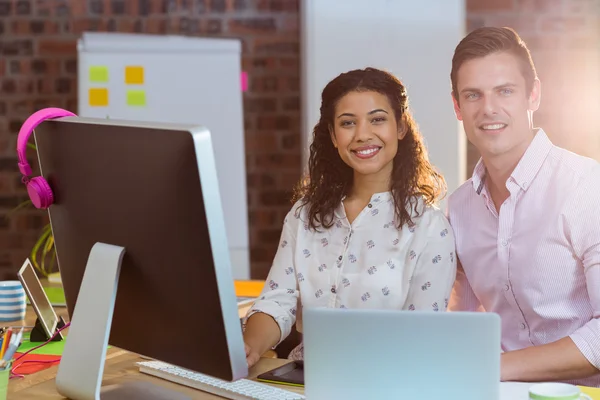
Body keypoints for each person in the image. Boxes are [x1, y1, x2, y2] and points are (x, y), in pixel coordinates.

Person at [242, 67, 457, 367]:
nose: (362, 135)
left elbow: (422, 339)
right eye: (347, 123)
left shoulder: (430, 228)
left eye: (377, 119)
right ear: (332, 134)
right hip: (303, 380)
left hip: (384, 385)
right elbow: (277, 301)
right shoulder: (304, 215)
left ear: (401, 127)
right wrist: (248, 347)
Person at [447, 26, 600, 387]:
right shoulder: (458, 208)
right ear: (457, 106)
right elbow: (460, 324)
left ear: (533, 95)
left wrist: (494, 368)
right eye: (473, 95)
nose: (488, 109)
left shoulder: (587, 187)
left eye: (505, 91)